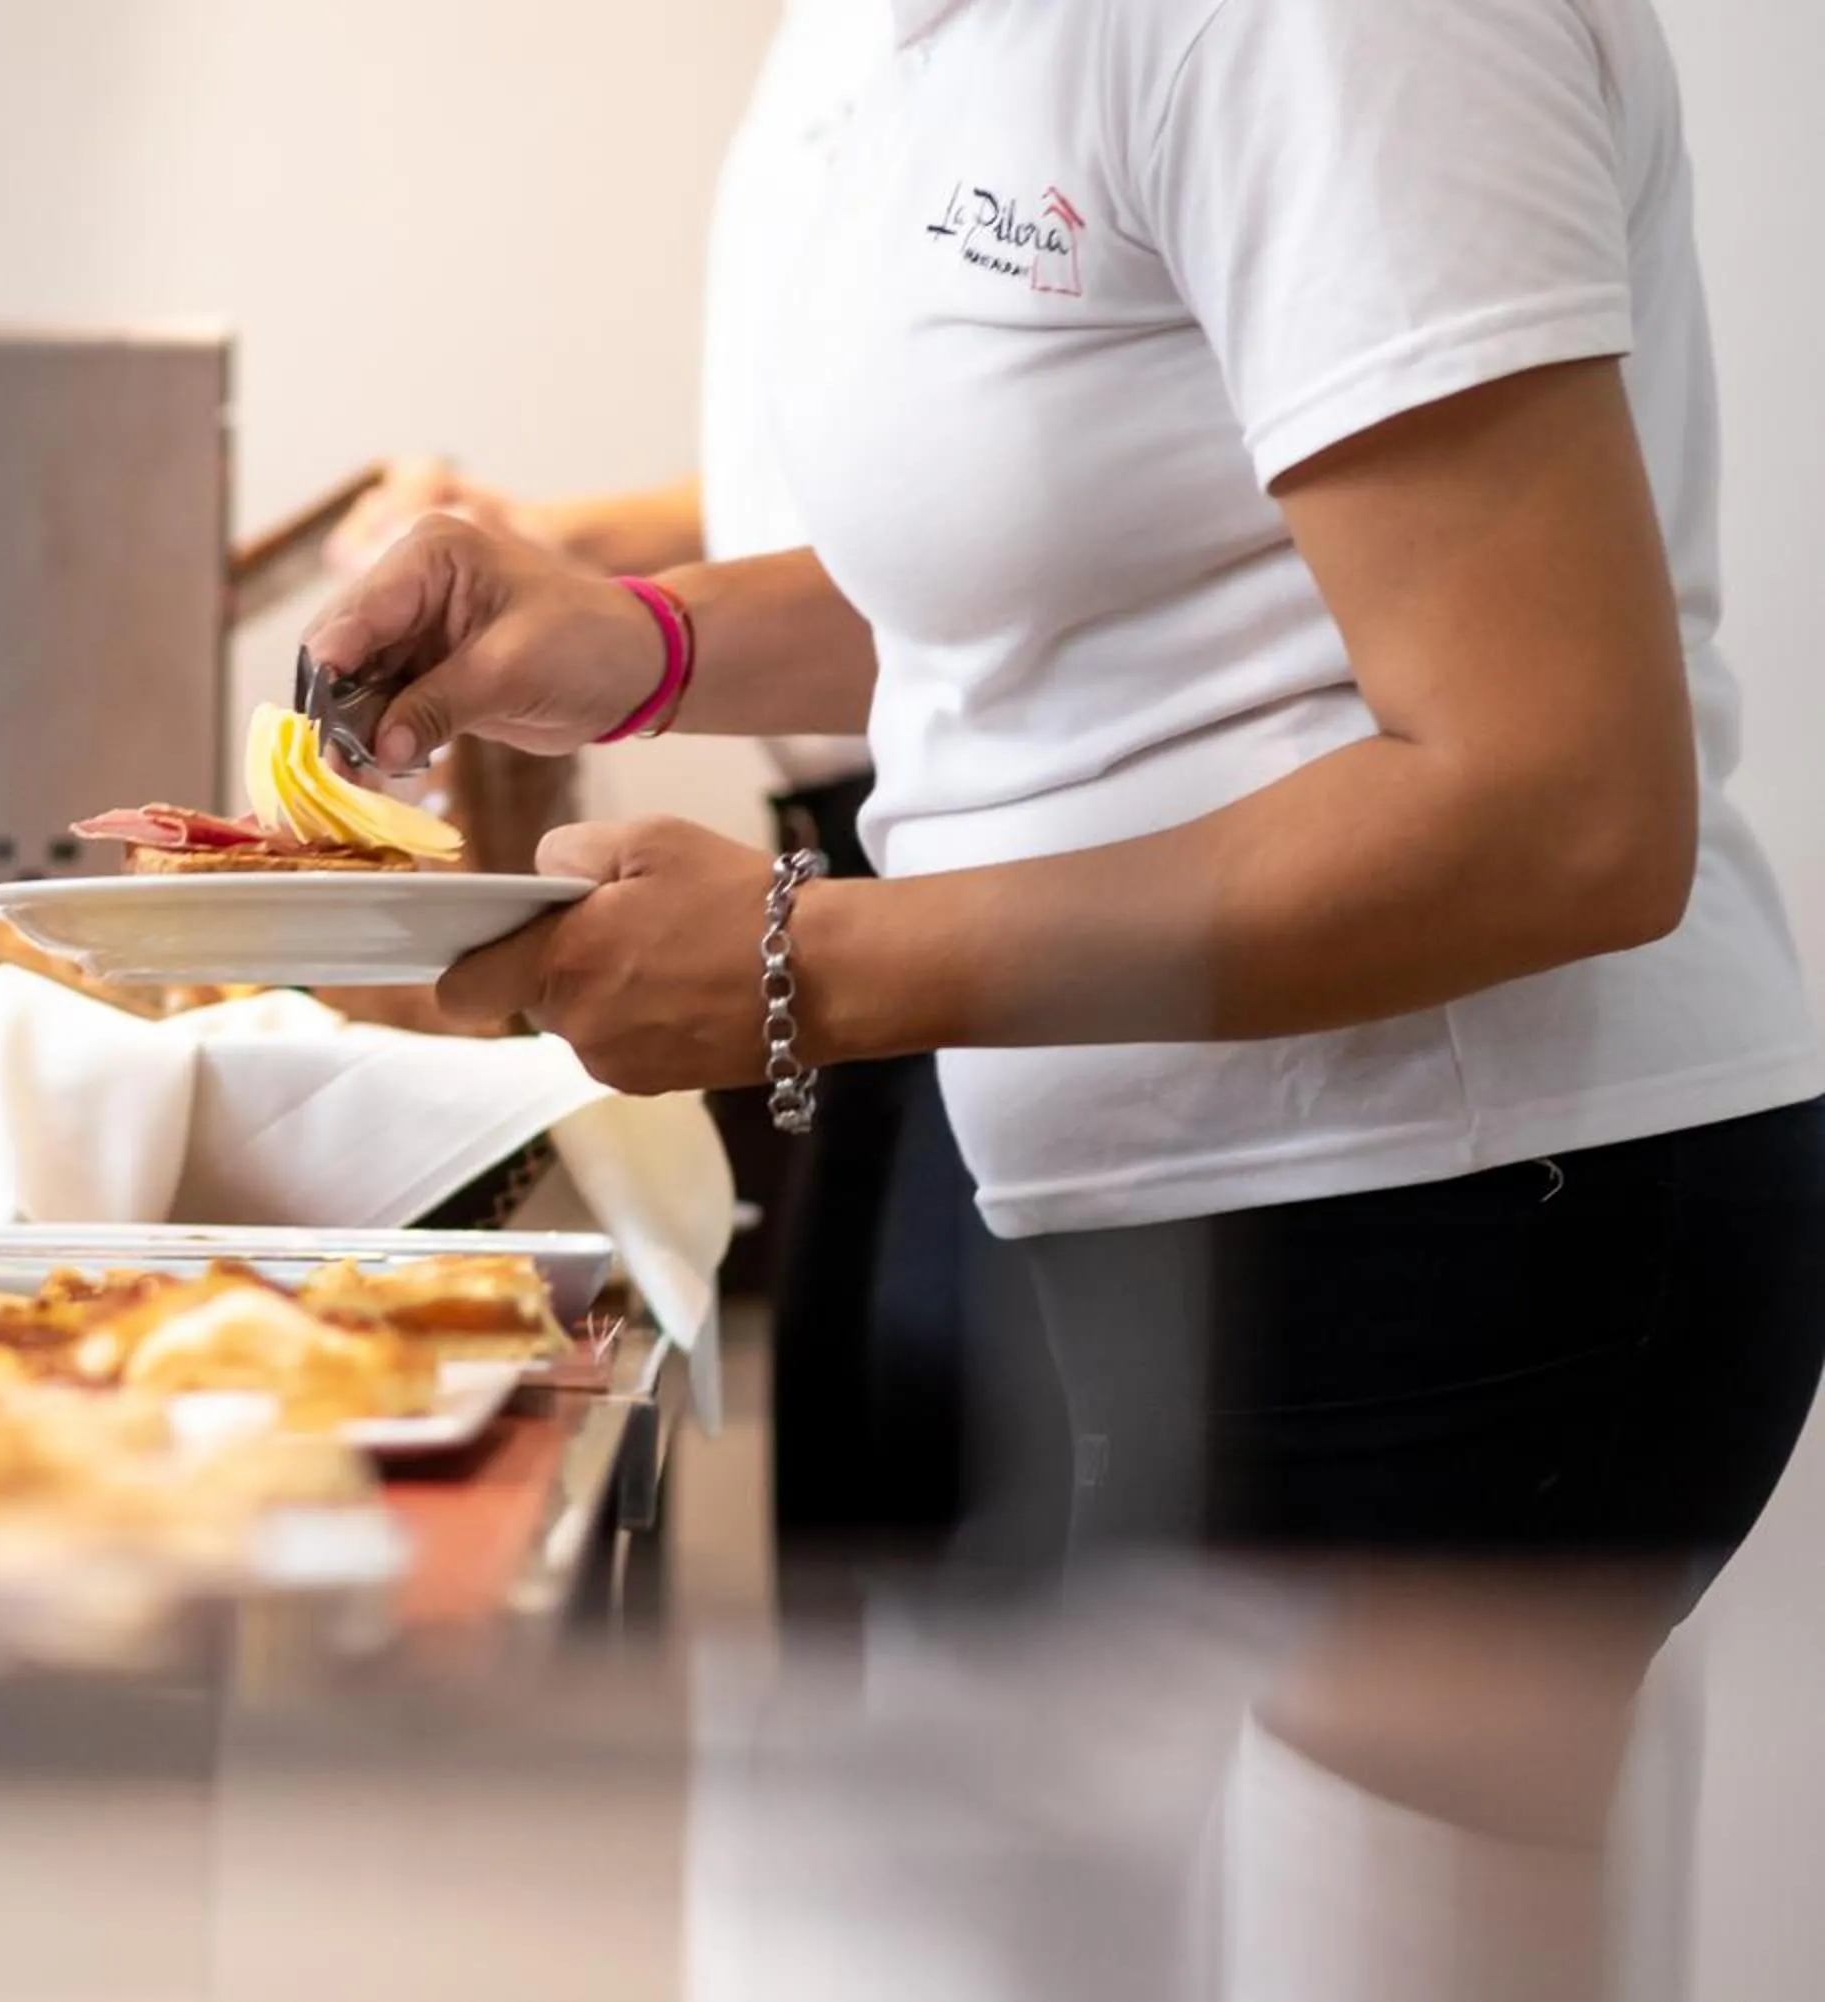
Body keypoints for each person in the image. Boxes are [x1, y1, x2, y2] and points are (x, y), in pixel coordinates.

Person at [304, 0, 1825, 1605]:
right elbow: (1086, 567)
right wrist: (642, 640)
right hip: (1183, 1206)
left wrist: (802, 966)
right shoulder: (939, 38)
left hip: (1452, 1210)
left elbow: (1560, 810)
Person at [326, 0, 1032, 1554]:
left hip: (1059, 943)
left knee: (956, 1635)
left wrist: (810, 955)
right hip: (910, 901)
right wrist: (597, 589)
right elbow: (950, 498)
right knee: (869, 1598)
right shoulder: (854, 38)